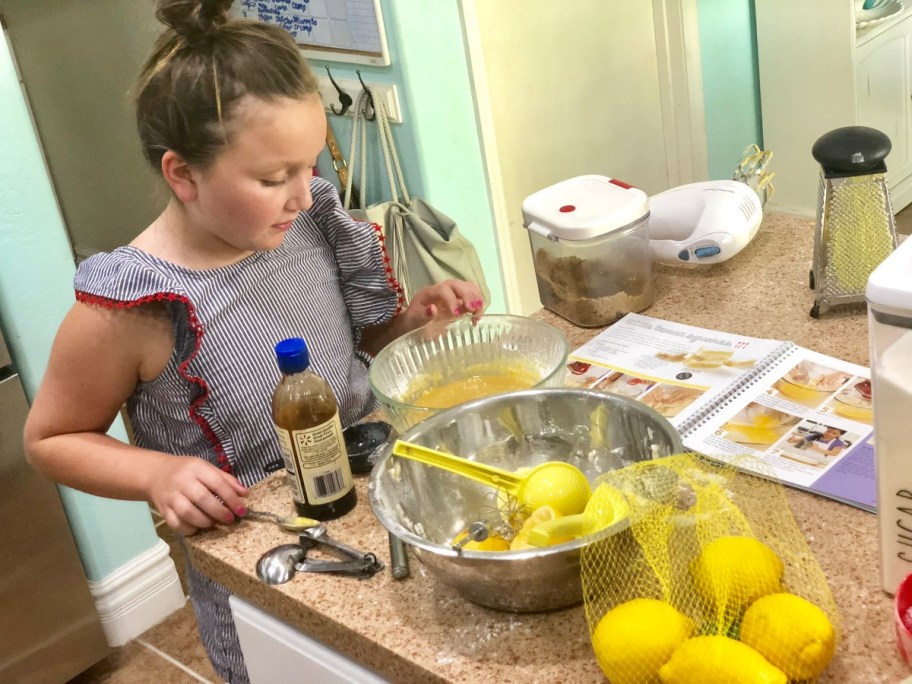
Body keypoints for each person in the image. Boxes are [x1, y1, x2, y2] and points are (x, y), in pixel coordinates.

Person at [22, 1, 484, 681]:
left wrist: (412, 321)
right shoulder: (133, 305)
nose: (303, 193)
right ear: (183, 174)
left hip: (369, 500)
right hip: (262, 561)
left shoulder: (311, 225)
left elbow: (362, 339)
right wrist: (159, 474)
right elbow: (51, 439)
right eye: (273, 179)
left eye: (309, 165)